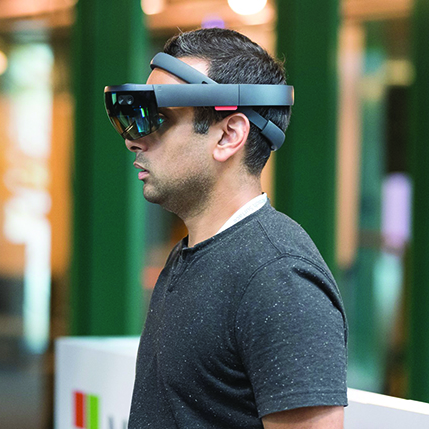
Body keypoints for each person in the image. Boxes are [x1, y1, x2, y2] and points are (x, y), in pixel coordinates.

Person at [104, 28, 347, 428]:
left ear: (229, 134)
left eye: (158, 119)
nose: (135, 139)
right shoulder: (194, 254)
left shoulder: (278, 277)